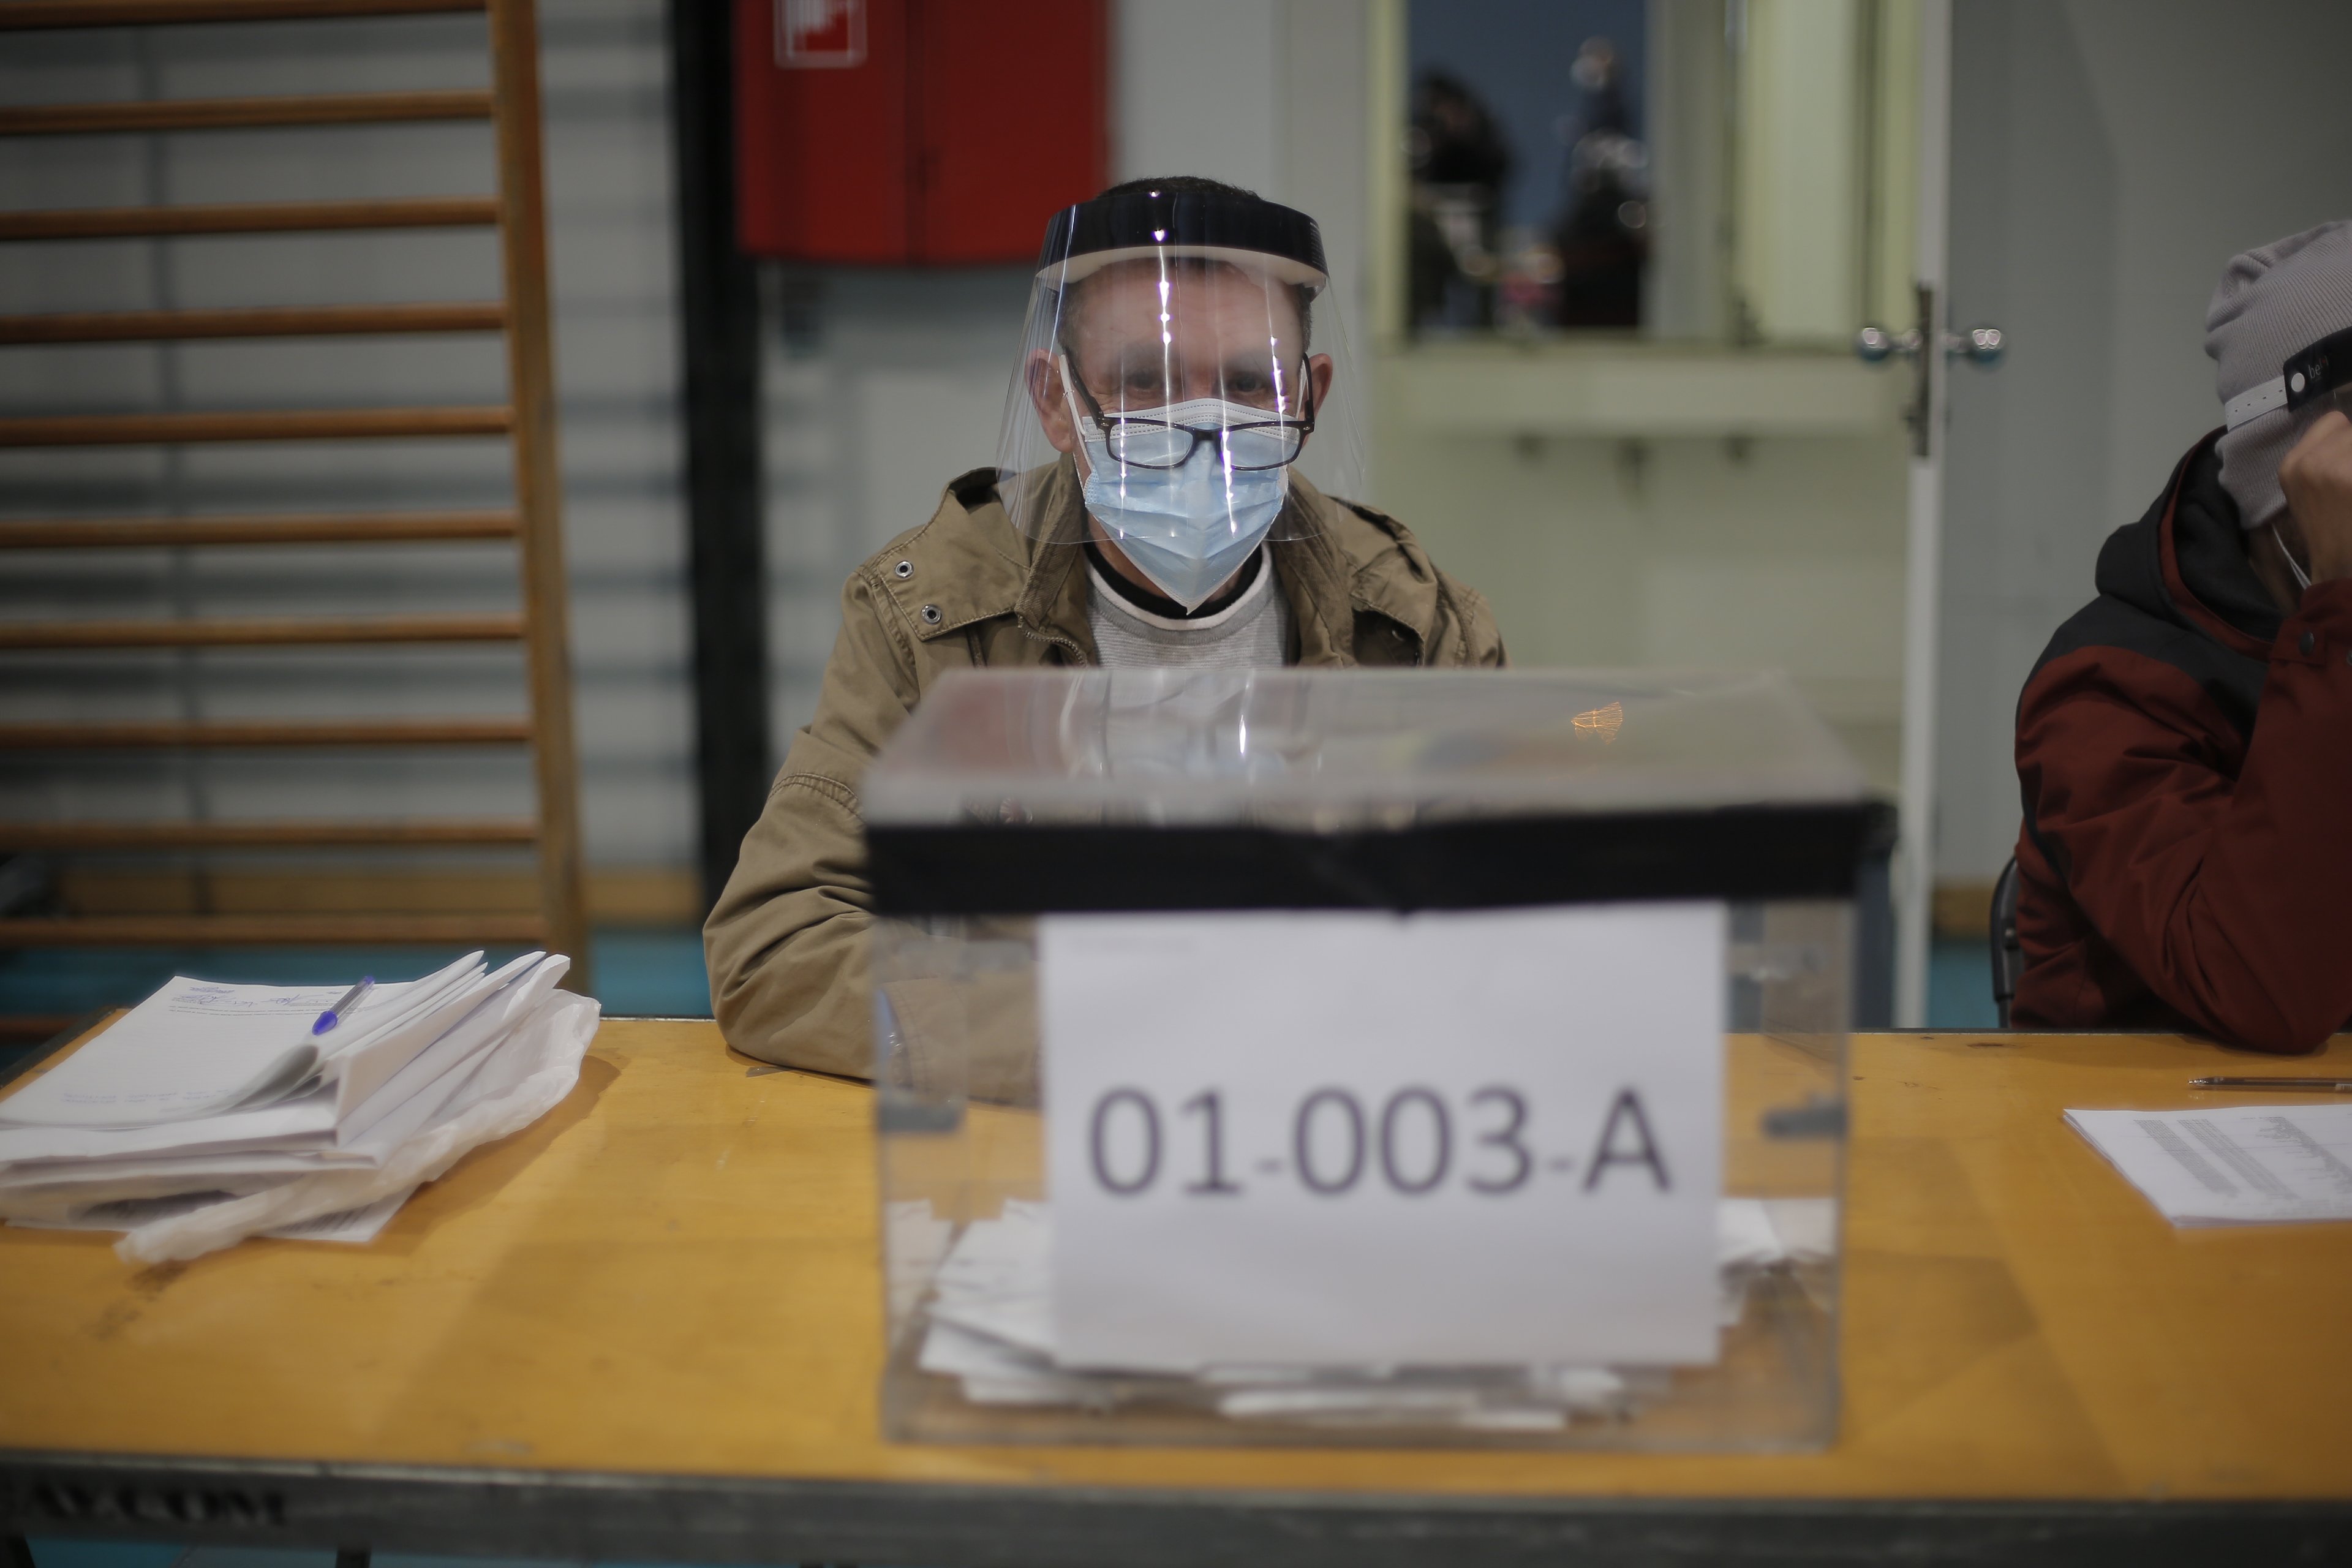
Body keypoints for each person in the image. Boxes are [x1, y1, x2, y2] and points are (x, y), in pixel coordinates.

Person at [706, 178, 1506, 1074]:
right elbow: (777, 949)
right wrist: (1104, 1028)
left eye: (1249, 384)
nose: (1204, 425)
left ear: (1310, 398)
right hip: (1038, 1145)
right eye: (1143, 382)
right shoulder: (935, 621)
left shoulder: (1410, 625)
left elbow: (1527, 918)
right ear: (1055, 400)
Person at [2012, 221, 2352, 1050]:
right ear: (2307, 470)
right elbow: (2264, 993)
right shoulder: (2106, 691)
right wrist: (2341, 616)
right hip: (2150, 1130)